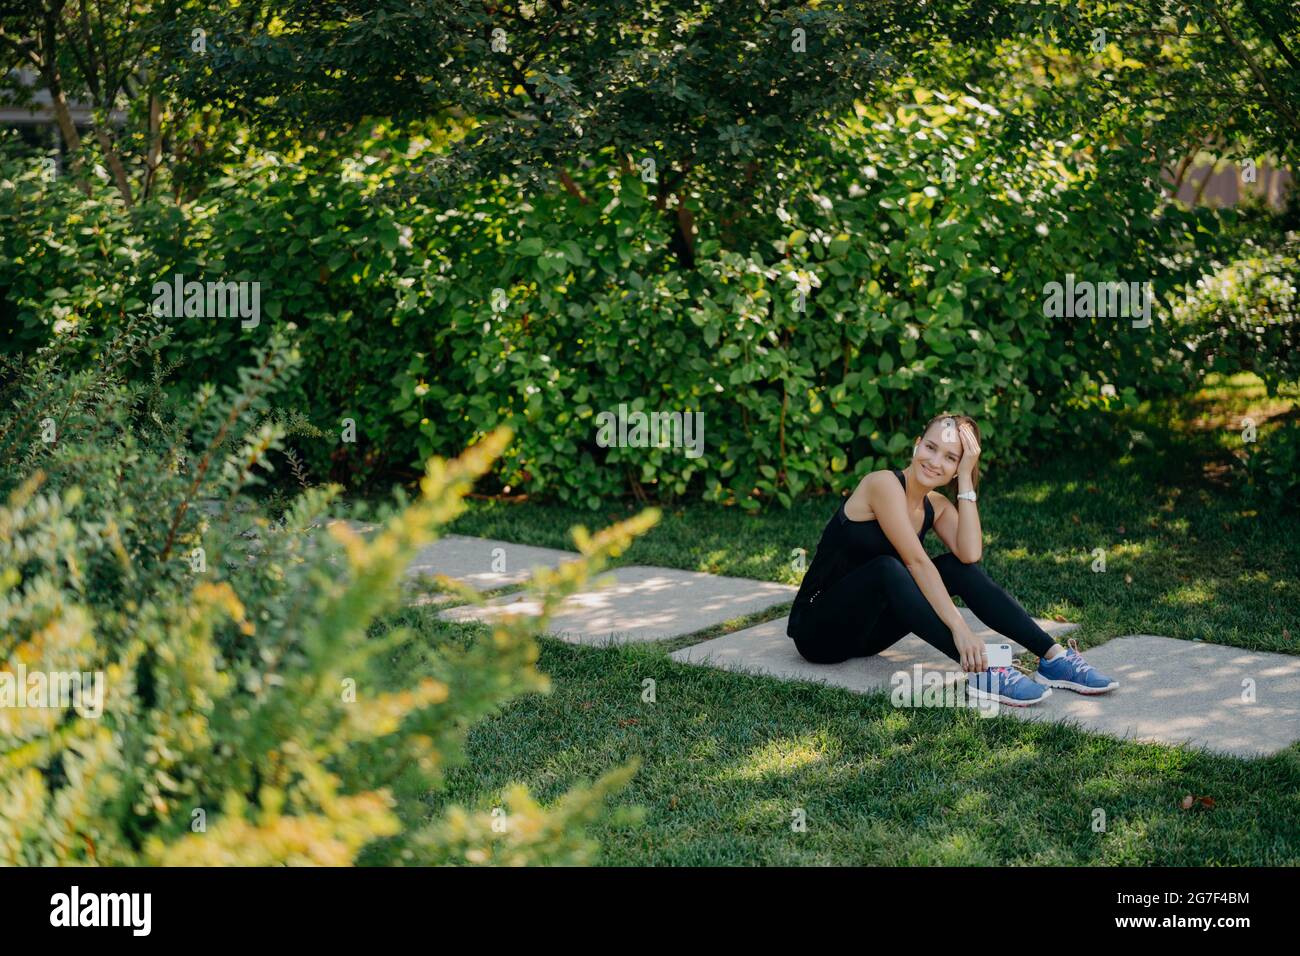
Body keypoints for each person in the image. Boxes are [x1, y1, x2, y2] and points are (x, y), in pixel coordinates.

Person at [787, 413, 1118, 706]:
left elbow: (970, 554)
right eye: (930, 448)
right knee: (888, 569)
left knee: (957, 568)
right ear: (917, 445)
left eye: (950, 458)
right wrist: (960, 628)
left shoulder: (936, 505)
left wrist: (964, 479)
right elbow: (916, 562)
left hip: (867, 635)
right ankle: (984, 671)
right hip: (819, 633)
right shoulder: (882, 484)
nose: (934, 462)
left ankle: (1053, 657)